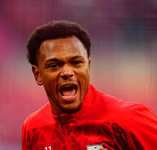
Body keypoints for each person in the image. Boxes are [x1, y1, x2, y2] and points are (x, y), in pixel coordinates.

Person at [22, 20, 157, 150]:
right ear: (37, 75)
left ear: (88, 66)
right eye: (54, 66)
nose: (67, 72)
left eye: (76, 63)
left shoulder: (131, 120)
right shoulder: (33, 128)